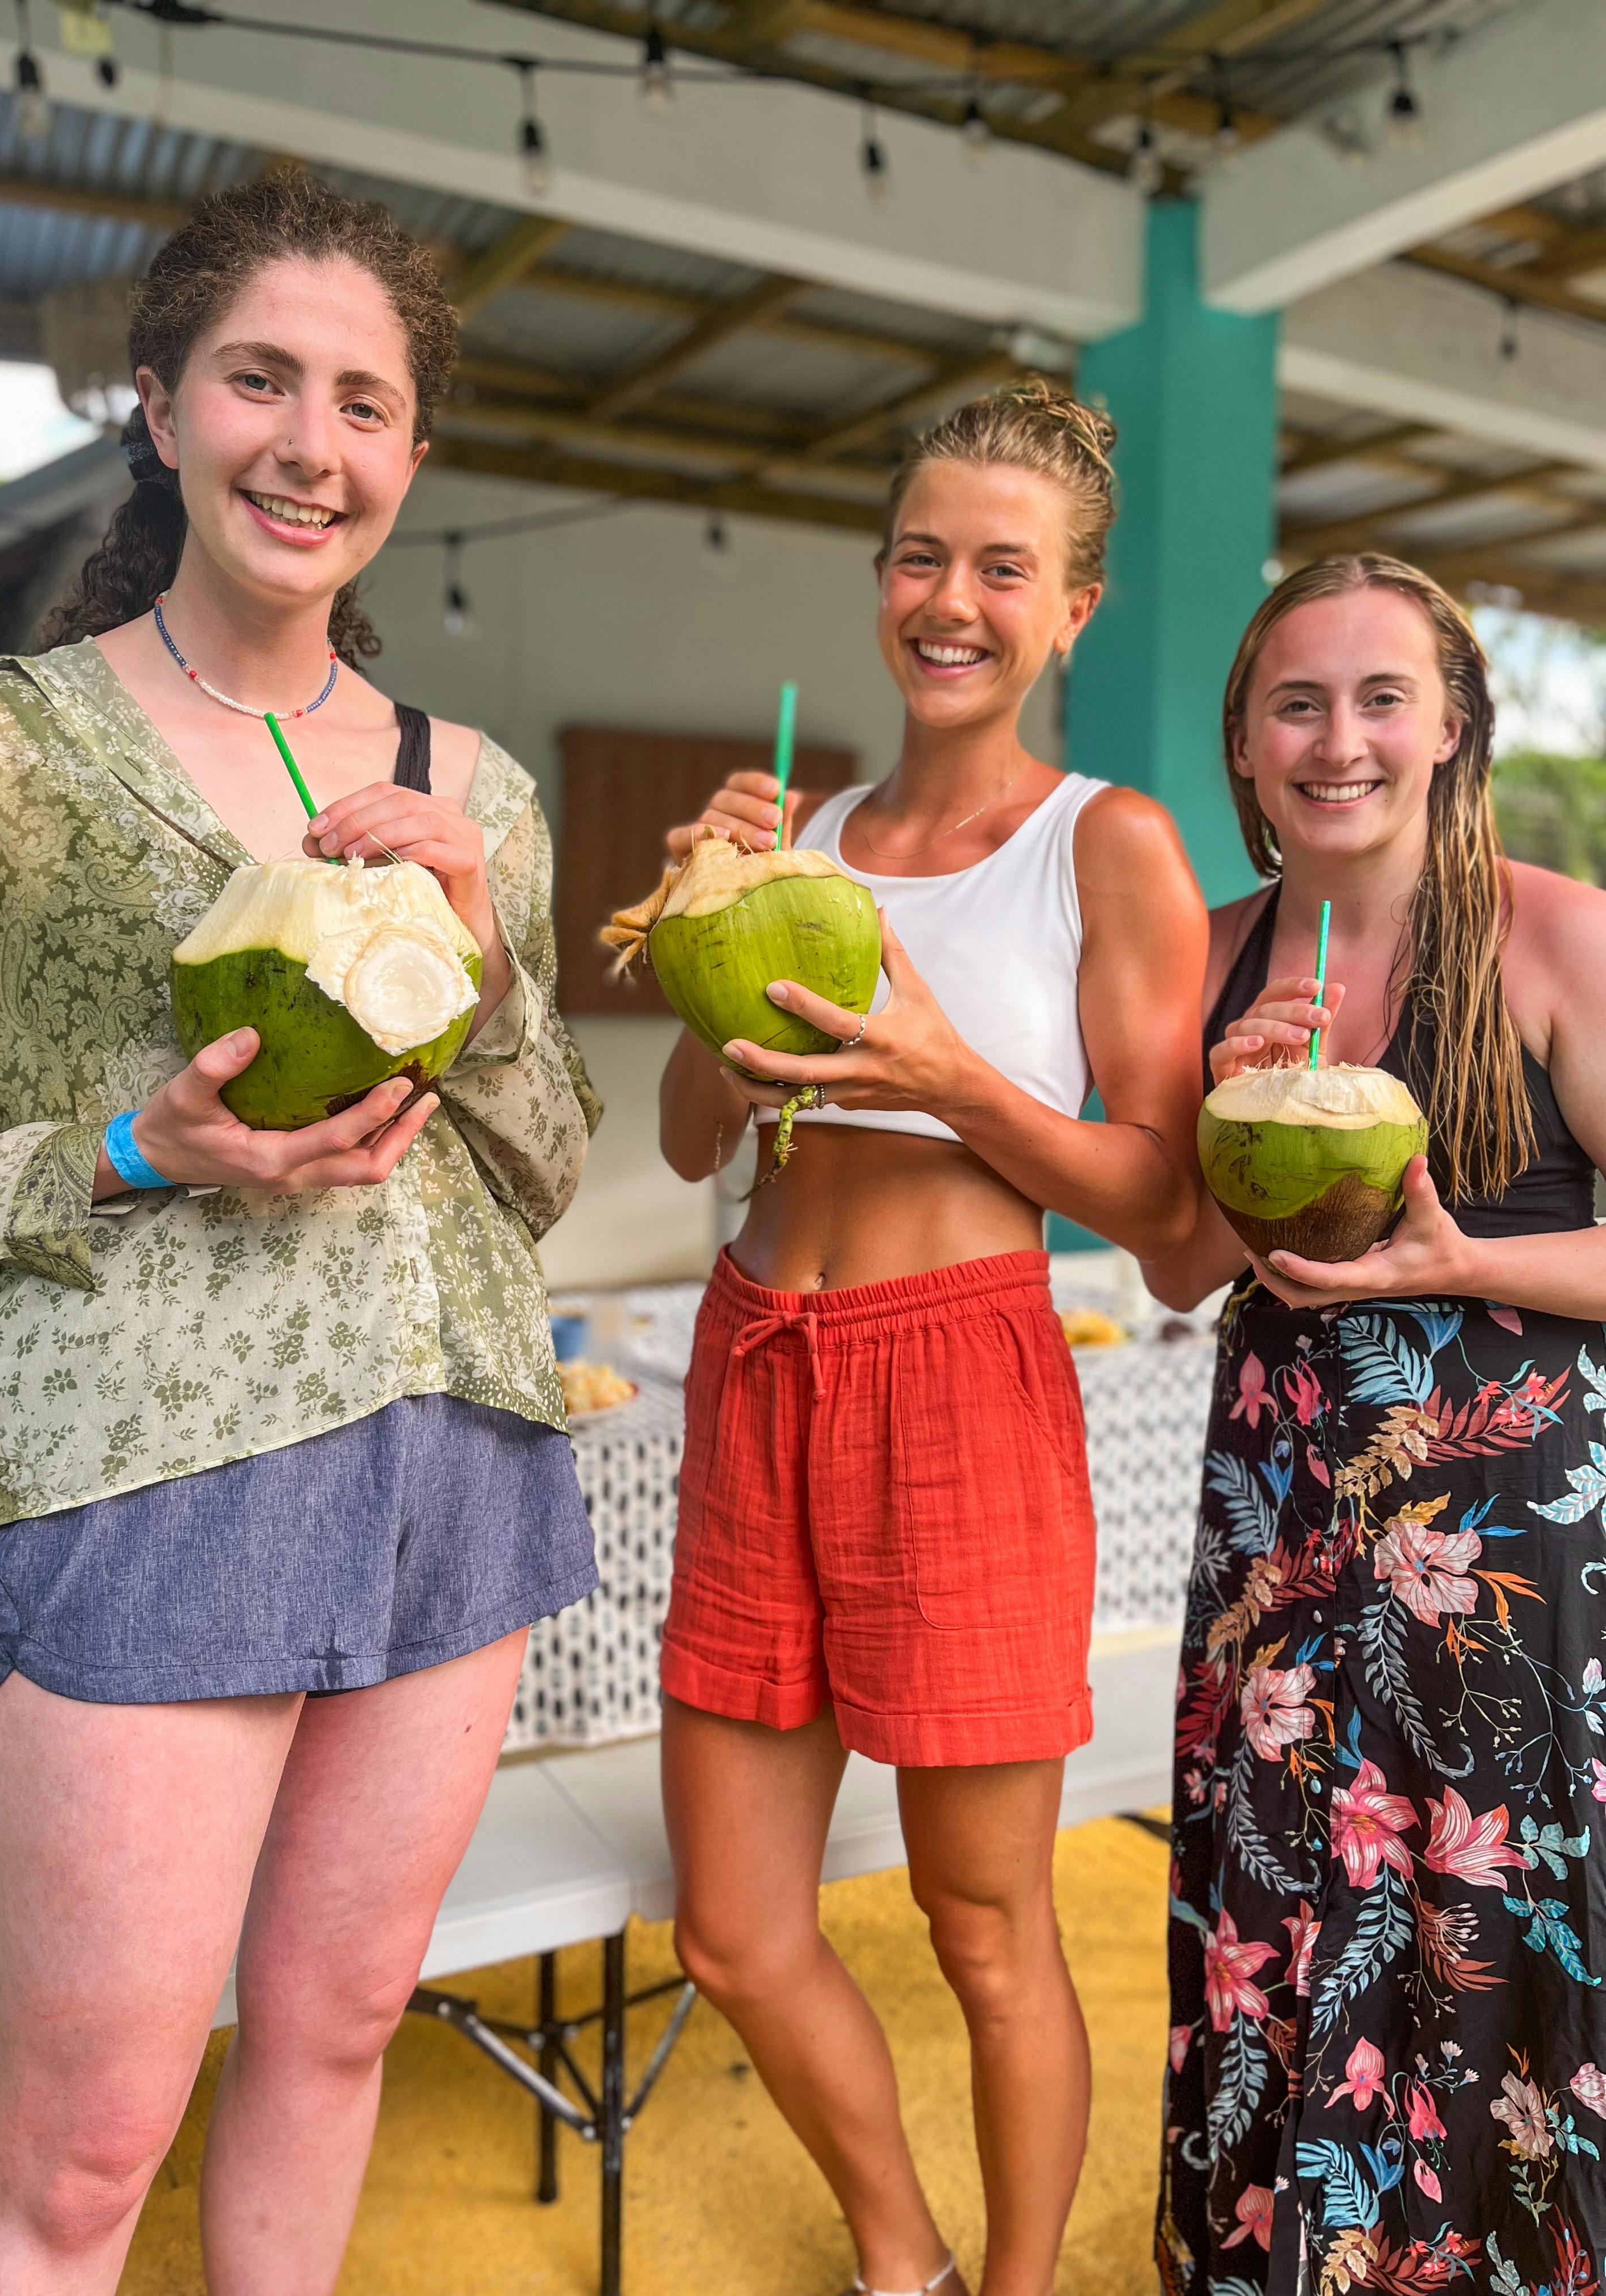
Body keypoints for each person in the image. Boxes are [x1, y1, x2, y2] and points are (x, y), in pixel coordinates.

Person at [0, 174, 598, 2296]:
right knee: (88, 2152)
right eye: (260, 380)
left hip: (452, 1455)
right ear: (161, 405)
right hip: (137, 1478)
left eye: (365, 402)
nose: (314, 443)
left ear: (412, 454)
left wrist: (475, 960)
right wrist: (134, 1147)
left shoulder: (476, 786)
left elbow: (542, 1163)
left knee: (336, 2034)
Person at [648, 384, 1210, 2296]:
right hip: (757, 1361)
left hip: (959, 1374)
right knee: (733, 1924)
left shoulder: (1103, 844)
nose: (950, 598)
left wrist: (945, 1074)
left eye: (1003, 567)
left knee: (984, 1925)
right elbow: (687, 1135)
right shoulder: (796, 828)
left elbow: (1166, 1207)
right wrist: (698, 938)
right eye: (919, 555)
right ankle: (903, 2255)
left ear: (1076, 610)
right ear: (877, 578)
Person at [1143, 555, 1606, 2290]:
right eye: (1298, 702)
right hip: (1282, 1530)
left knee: (1486, 1923)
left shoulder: (1555, 934)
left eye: (1382, 696)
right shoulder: (1209, 956)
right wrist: (1214, 1105)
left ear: (1455, 727)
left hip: (1508, 1552)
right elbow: (1184, 1263)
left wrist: (1460, 1253)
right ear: (1248, 748)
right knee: (1293, 1920)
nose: (1340, 739)